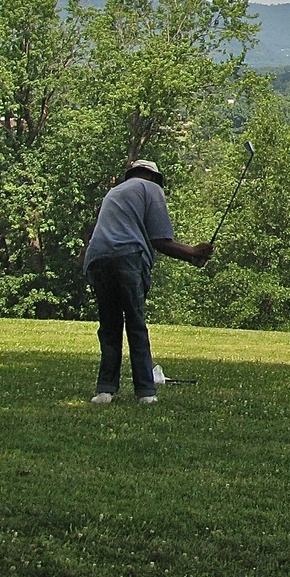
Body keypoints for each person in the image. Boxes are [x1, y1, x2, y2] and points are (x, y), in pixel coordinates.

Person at [83, 160, 211, 404]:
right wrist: (193, 253)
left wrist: (191, 254)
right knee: (135, 323)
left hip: (96, 259)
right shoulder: (151, 189)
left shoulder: (115, 192)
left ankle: (105, 390)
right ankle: (145, 392)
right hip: (128, 257)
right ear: (154, 178)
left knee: (109, 326)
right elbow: (160, 239)